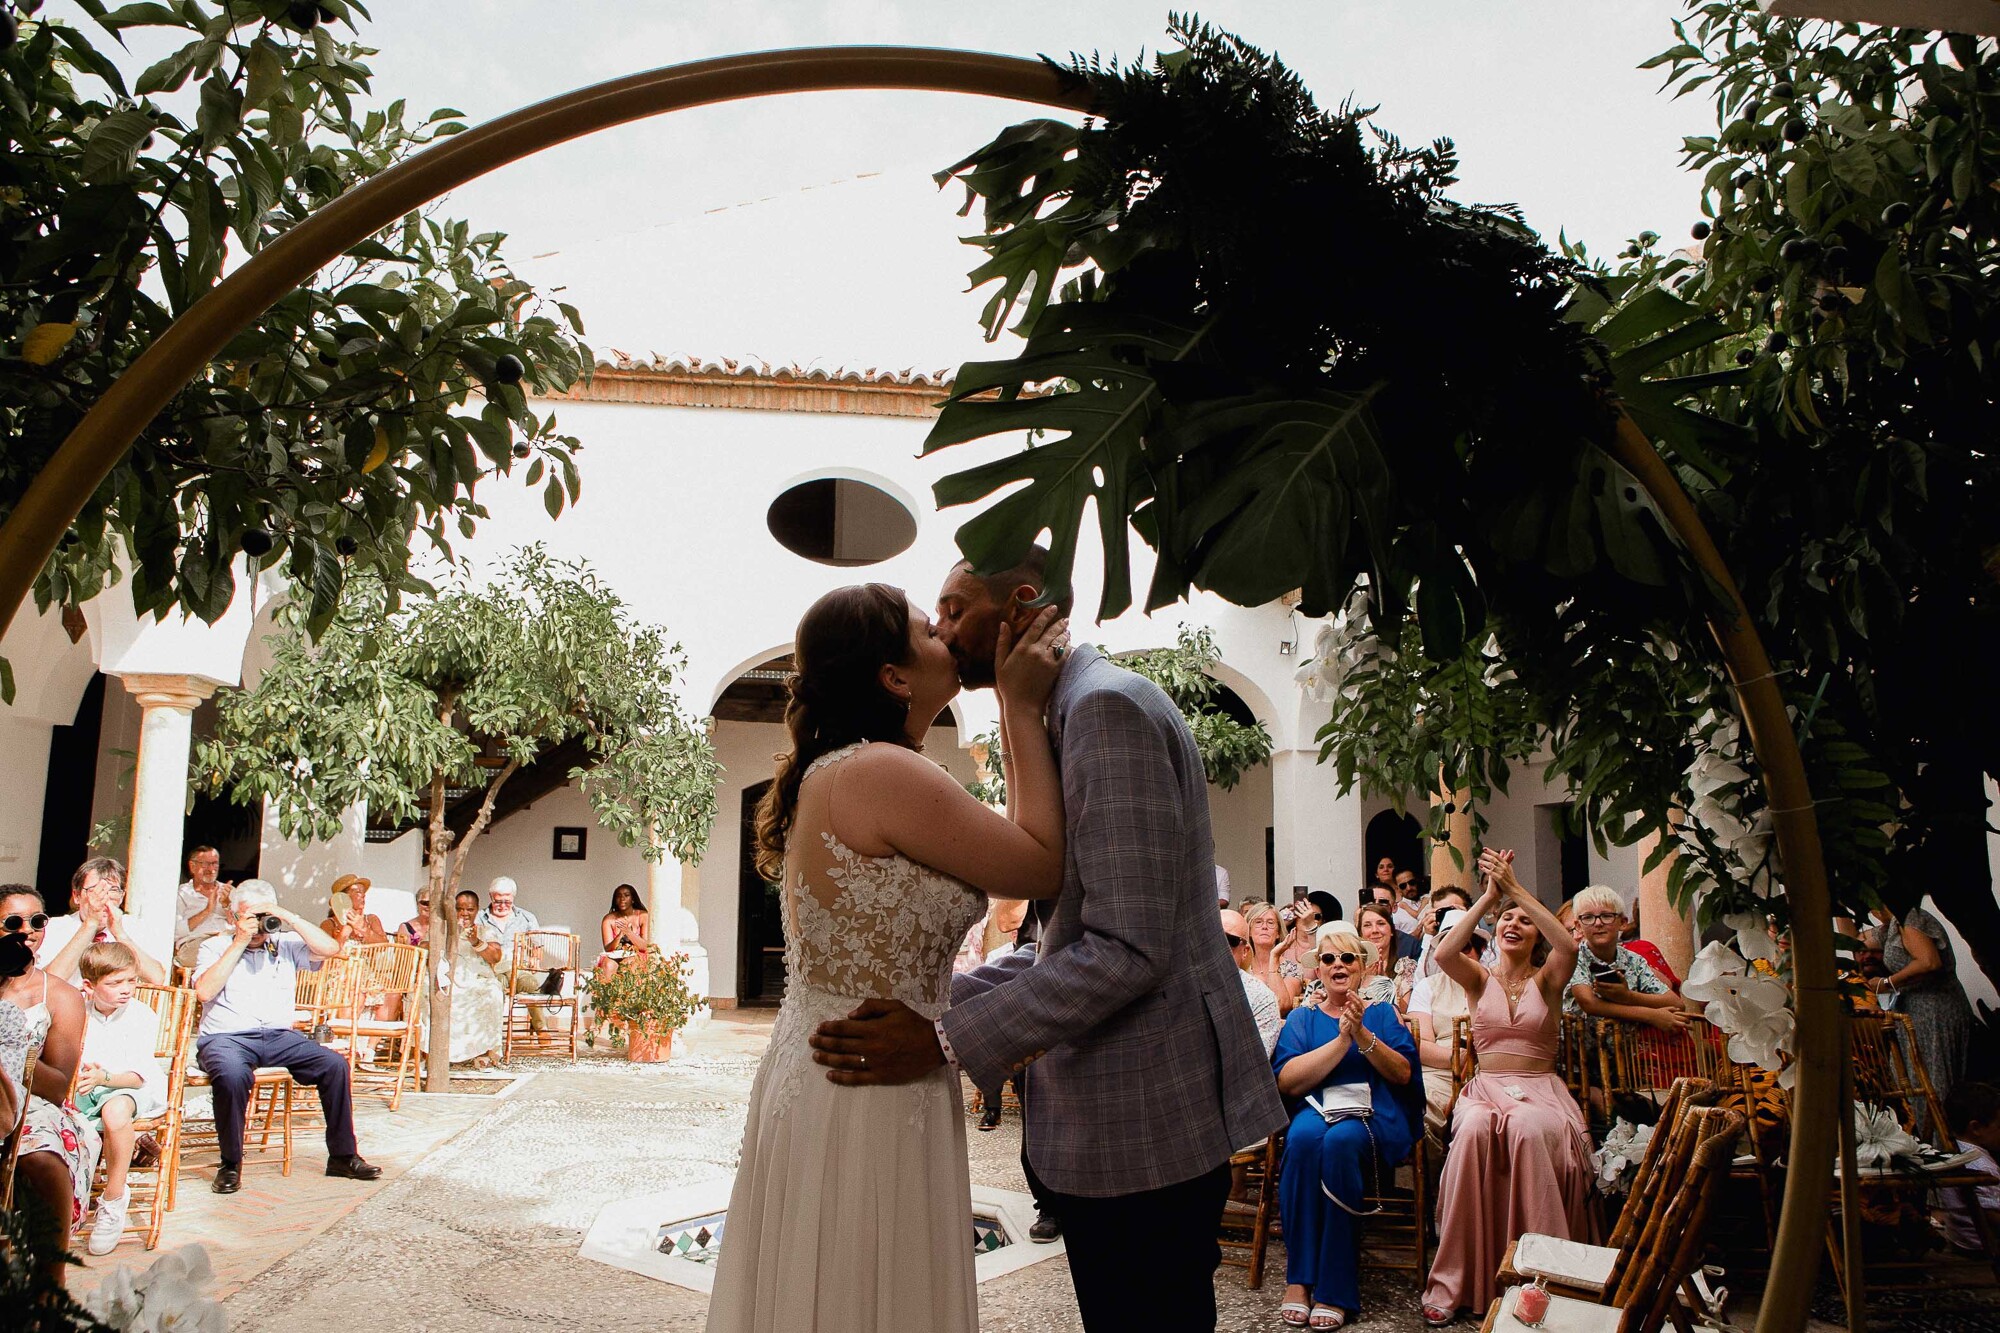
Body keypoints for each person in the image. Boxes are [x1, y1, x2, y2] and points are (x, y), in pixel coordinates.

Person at [804, 553, 1286, 1333]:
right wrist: (938, 1002)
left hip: (1146, 1119)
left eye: (956, 609)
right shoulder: (1067, 712)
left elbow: (1127, 948)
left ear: (1021, 604)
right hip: (1118, 1119)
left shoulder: (1104, 710)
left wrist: (944, 1037)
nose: (943, 628)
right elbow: (1068, 937)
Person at [701, 580, 1074, 1333]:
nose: (945, 630)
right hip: (865, 1082)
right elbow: (1040, 865)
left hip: (848, 1063)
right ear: (894, 676)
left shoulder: (846, 769)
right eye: (926, 631)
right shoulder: (881, 770)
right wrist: (1018, 704)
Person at [1420, 851, 1595, 1326]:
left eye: (1525, 922)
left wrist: (1517, 891)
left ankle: (1543, 1281)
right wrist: (1488, 899)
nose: (1514, 924)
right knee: (1473, 1129)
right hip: (1487, 1088)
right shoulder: (1478, 978)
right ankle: (1459, 1279)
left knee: (1526, 1127)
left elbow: (1570, 946)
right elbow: (1442, 953)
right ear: (1496, 932)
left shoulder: (1550, 979)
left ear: (1537, 936)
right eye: (1507, 921)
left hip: (1540, 1090)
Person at [193, 880, 381, 1194]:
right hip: (226, 1038)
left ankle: (343, 1155)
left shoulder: (284, 943)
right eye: (250, 917)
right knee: (231, 1075)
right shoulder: (215, 945)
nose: (259, 927)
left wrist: (287, 917)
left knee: (334, 1065)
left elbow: (331, 949)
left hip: (279, 1036)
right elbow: (204, 991)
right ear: (232, 916)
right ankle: (230, 1163)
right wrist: (239, 941)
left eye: (263, 918)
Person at [1273, 925, 1419, 1329]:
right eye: (1328, 958)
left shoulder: (1382, 1014)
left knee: (1340, 1142)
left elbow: (1404, 1074)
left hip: (1371, 1113)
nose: (1338, 965)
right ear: (1317, 969)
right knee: (1301, 1140)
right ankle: (1300, 1279)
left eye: (1347, 958)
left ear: (1363, 967)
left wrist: (1361, 1032)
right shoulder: (1302, 1019)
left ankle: (1336, 1287)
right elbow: (1288, 1081)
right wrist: (1341, 1041)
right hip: (1317, 1110)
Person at [0, 885, 98, 1282]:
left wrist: (13, 1052)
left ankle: (50, 1278)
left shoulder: (59, 994)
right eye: (14, 922)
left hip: (34, 1101)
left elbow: (58, 1086)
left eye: (37, 921)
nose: (28, 930)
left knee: (42, 1156)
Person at [75, 941, 166, 1255]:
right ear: (89, 986)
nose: (126, 989)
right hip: (87, 1089)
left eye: (131, 980)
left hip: (129, 1088)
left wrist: (104, 1078)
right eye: (114, 983)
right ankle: (66, 1198)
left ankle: (113, 1198)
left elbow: (137, 1076)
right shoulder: (77, 1011)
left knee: (114, 1112)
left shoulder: (140, 1015)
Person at [1869, 902, 1976, 1115]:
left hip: (1935, 1008)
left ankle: (1945, 1140)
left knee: (1935, 1081)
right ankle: (1929, 1136)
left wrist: (1887, 983)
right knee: (1915, 1081)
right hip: (1914, 1011)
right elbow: (1857, 942)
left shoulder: (1911, 918)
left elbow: (1928, 962)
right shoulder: (1890, 927)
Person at [1564, 886, 1689, 1034]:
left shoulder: (1634, 960)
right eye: (1588, 918)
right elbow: (1589, 1003)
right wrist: (1651, 1015)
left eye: (1606, 916)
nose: (1598, 923)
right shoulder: (1574, 957)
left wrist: (1628, 996)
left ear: (1623, 922)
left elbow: (1675, 1003)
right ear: (1578, 926)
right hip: (1579, 1051)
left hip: (1624, 1052)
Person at [1408, 912, 1485, 1139]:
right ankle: (1436, 1175)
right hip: (1438, 1074)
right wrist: (1459, 1058)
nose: (1458, 956)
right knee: (1420, 1114)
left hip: (1488, 1072)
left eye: (1466, 947)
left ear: (1480, 950)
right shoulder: (1427, 986)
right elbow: (1420, 1044)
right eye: (1451, 949)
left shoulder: (1495, 982)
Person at [38, 857, 167, 986]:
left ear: (122, 897)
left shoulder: (133, 927)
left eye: (113, 890)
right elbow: (47, 982)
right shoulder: (54, 928)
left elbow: (157, 978)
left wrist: (120, 934)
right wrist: (90, 924)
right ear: (77, 896)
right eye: (95, 890)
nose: (105, 898)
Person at [1937, 1082, 2000, 1253]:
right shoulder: (1979, 1165)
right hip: (1981, 1244)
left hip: (1962, 1240)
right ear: (1976, 1128)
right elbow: (1992, 1215)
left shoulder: (1953, 1152)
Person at [445, 889, 504, 1067]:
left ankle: (485, 1052)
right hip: (450, 979)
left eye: (469, 909)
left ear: (477, 910)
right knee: (426, 990)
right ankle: (430, 1053)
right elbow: (426, 946)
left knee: (493, 992)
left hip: (478, 979)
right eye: (459, 908)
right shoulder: (443, 930)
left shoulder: (486, 931)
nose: (464, 913)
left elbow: (495, 957)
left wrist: (476, 942)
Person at [1222, 908, 1282, 1056]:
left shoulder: (1260, 997)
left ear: (1244, 951)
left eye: (1230, 940)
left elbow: (1253, 1062)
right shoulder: (1176, 986)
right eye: (1211, 938)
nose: (1219, 947)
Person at [174, 845, 235, 967]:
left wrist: (226, 905)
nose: (211, 869)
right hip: (194, 944)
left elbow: (239, 924)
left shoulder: (229, 891)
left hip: (226, 940)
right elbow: (176, 931)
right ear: (192, 866)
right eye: (205, 864)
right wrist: (207, 910)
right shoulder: (181, 893)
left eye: (214, 863)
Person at [1354, 899, 1420, 1007]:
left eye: (1381, 924)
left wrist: (1384, 982)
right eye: (1367, 925)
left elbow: (1406, 1011)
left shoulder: (1405, 967)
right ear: (1360, 933)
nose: (1374, 930)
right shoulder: (1350, 965)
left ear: (1392, 932)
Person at [1243, 901, 1296, 1014]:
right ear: (1250, 931)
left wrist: (1274, 957)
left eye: (1270, 923)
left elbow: (1281, 1006)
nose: (1264, 927)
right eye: (1258, 922)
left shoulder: (1292, 968)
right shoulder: (1241, 965)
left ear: (1277, 933)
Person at [1414, 884, 1474, 979]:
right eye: (1442, 913)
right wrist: (1430, 937)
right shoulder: (1433, 941)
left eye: (1452, 910)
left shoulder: (1482, 940)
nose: (1448, 917)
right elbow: (1422, 981)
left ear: (1469, 911)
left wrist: (1469, 921)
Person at [595, 883, 653, 980]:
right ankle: (608, 994)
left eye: (626, 895)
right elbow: (608, 948)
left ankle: (628, 995)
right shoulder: (609, 919)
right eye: (618, 896)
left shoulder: (643, 916)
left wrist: (629, 932)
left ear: (633, 899)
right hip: (616, 955)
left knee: (628, 964)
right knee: (607, 965)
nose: (622, 899)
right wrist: (619, 936)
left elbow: (645, 946)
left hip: (638, 955)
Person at [322, 874, 389, 948]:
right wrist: (346, 930)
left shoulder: (371, 919)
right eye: (358, 892)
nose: (363, 895)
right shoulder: (329, 924)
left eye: (363, 892)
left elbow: (384, 946)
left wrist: (363, 928)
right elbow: (325, 951)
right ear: (343, 897)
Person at [1392, 870, 1425, 935]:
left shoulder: (1428, 900)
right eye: (1403, 886)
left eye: (1411, 882)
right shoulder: (1396, 911)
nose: (1409, 888)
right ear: (1397, 889)